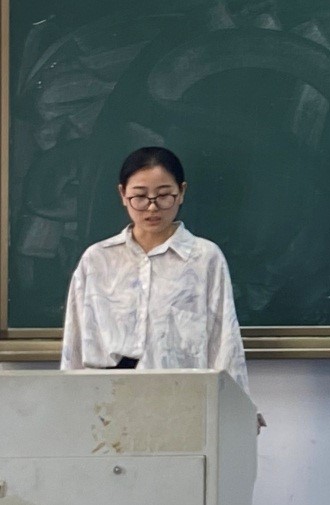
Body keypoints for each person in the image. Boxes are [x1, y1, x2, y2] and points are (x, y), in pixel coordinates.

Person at [60, 146, 264, 430]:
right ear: (123, 194)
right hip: (108, 407)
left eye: (164, 195)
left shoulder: (204, 258)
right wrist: (68, 408)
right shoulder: (98, 259)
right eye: (140, 196)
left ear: (181, 192)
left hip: (182, 406)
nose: (152, 207)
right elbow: (75, 339)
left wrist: (239, 409)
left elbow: (224, 339)